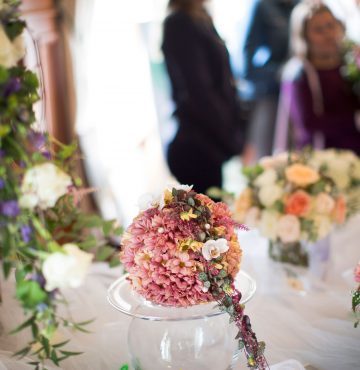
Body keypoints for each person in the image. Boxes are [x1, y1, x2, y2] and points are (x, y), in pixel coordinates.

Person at [162, 0, 247, 194]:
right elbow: (198, 91)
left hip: (210, 140)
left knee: (218, 217)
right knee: (210, 220)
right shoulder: (179, 23)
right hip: (196, 145)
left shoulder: (200, 17)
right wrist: (231, 138)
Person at [274, 1, 360, 155]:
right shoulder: (299, 73)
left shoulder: (348, 62)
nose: (328, 34)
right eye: (318, 30)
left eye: (330, 25)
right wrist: (353, 120)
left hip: (355, 148)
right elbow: (308, 123)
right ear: (303, 35)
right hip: (322, 155)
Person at [242, 0, 299, 160]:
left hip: (303, 91)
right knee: (270, 158)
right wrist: (280, 75)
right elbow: (248, 62)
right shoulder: (262, 6)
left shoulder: (302, 5)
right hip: (272, 93)